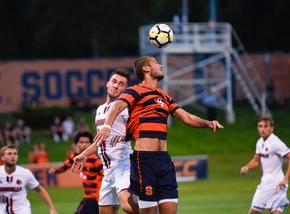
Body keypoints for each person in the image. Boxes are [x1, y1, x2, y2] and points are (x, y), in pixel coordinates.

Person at [81, 56, 224, 214]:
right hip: (144, 161)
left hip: (164, 161)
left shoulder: (164, 96)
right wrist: (107, 126)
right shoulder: (135, 90)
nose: (161, 66)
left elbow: (188, 118)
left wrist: (208, 123)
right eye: (156, 63)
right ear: (146, 69)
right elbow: (117, 107)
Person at [72, 68, 140, 214]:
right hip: (107, 169)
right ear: (107, 83)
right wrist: (84, 154)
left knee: (128, 206)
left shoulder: (127, 109)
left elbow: (140, 134)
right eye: (114, 82)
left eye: (121, 84)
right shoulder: (100, 110)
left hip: (123, 163)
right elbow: (99, 140)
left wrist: (125, 136)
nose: (116, 86)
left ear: (125, 89)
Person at [0, 145, 57, 214]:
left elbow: (40, 190)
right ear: (2, 158)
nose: (13, 156)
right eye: (9, 154)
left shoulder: (25, 173)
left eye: (15, 154)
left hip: (23, 211)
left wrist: (52, 209)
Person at [240, 117, 290, 214]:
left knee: (253, 212)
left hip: (273, 183)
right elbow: (256, 160)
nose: (262, 129)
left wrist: (286, 179)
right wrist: (247, 167)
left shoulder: (275, 142)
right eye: (260, 126)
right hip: (272, 182)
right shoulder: (260, 142)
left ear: (271, 128)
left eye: (265, 126)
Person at [48, 131, 103, 214]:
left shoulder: (96, 160)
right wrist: (55, 170)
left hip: (95, 197)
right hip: (90, 196)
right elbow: (64, 167)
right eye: (82, 142)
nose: (84, 144)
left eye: (87, 142)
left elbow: (107, 175)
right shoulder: (75, 157)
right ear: (76, 144)